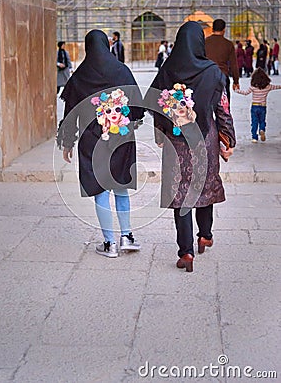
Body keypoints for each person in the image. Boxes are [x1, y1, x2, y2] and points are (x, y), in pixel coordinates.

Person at [146, 21, 236, 272]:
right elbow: (223, 110)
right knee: (204, 186)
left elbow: (153, 103)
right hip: (205, 140)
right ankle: (205, 235)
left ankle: (185, 252)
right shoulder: (213, 72)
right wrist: (228, 139)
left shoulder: (167, 69)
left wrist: (161, 133)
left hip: (176, 142)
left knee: (182, 194)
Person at [58, 30, 144, 258]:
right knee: (120, 186)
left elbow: (70, 113)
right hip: (121, 136)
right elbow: (137, 106)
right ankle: (127, 236)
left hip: (91, 140)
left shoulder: (80, 75)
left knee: (100, 190)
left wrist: (67, 142)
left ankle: (109, 244)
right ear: (106, 45)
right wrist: (126, 122)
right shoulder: (121, 70)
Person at [235, 67, 281, 143]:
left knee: (254, 122)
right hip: (263, 107)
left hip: (254, 106)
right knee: (262, 121)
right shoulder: (268, 87)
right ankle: (262, 129)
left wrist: (237, 90)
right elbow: (277, 87)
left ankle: (254, 137)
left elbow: (245, 93)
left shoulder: (253, 87)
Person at [205, 18, 239, 104]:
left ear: (212, 29)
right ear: (224, 30)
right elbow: (233, 64)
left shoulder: (205, 42)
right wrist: (236, 81)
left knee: (207, 105)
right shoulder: (228, 44)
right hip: (222, 76)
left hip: (207, 76)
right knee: (224, 107)